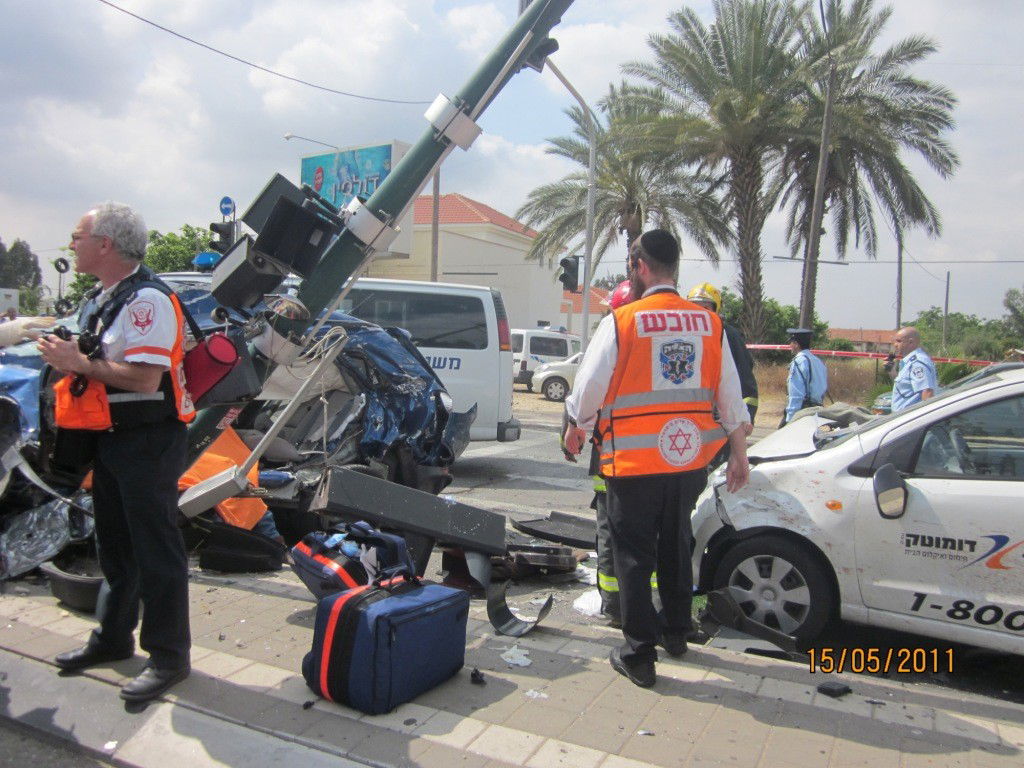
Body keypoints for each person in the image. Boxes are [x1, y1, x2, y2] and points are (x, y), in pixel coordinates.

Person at [563, 230, 750, 688]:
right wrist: (740, 453)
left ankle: (639, 654)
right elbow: (731, 396)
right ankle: (676, 632)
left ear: (639, 265)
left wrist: (577, 426)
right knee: (675, 545)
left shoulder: (623, 321)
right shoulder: (710, 324)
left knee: (633, 555)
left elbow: (588, 390)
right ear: (675, 266)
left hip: (634, 463)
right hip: (687, 462)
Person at [38, 202, 195, 702]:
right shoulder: (105, 296)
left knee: (156, 551)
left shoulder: (147, 299)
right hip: (110, 438)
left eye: (78, 235)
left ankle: (169, 658)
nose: (71, 243)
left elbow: (146, 378)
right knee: (116, 548)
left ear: (105, 244)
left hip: (147, 440)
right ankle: (111, 640)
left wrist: (79, 363)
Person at [686, 283, 758, 424]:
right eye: (694, 307)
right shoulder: (685, 336)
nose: (700, 313)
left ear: (716, 309)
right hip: (694, 417)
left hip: (722, 419)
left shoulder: (727, 335)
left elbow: (743, 377)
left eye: (706, 308)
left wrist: (747, 415)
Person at [782, 328, 828, 426]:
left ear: (796, 344)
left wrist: (790, 419)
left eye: (791, 343)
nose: (790, 346)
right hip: (818, 411)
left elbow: (796, 394)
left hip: (802, 413)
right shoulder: (818, 361)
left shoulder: (798, 362)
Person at [889, 326, 937, 412]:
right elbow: (904, 388)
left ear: (911, 342)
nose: (895, 345)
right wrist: (890, 370)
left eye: (899, 341)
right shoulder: (909, 362)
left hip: (909, 419)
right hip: (902, 417)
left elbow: (927, 392)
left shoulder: (917, 363)